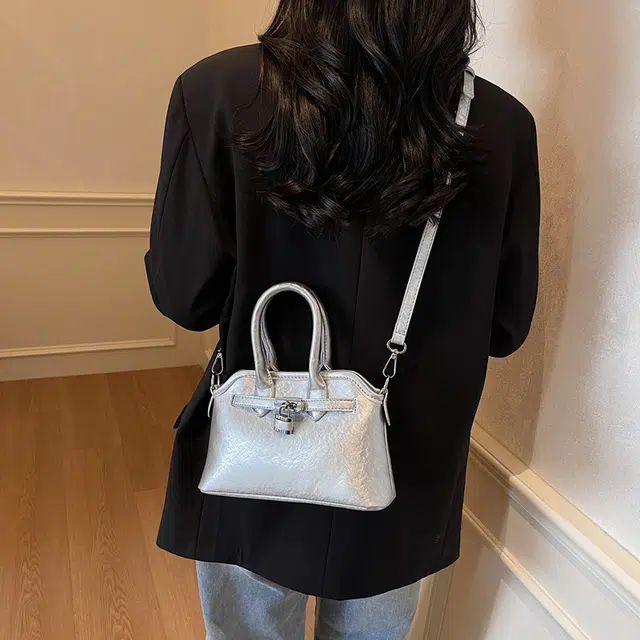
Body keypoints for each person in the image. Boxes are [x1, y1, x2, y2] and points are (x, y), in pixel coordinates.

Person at [145, 1, 540, 637]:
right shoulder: (501, 125)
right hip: (405, 466)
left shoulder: (216, 91)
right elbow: (505, 328)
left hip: (259, 442)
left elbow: (184, 299)